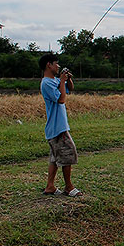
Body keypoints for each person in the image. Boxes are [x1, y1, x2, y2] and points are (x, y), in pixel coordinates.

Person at [39, 53, 82, 196]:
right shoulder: (46, 83)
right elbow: (61, 99)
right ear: (48, 65)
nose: (58, 66)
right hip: (58, 127)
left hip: (56, 127)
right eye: (56, 63)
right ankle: (69, 187)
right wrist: (62, 82)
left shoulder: (55, 81)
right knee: (68, 153)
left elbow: (70, 89)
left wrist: (67, 79)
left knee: (54, 158)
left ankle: (50, 187)